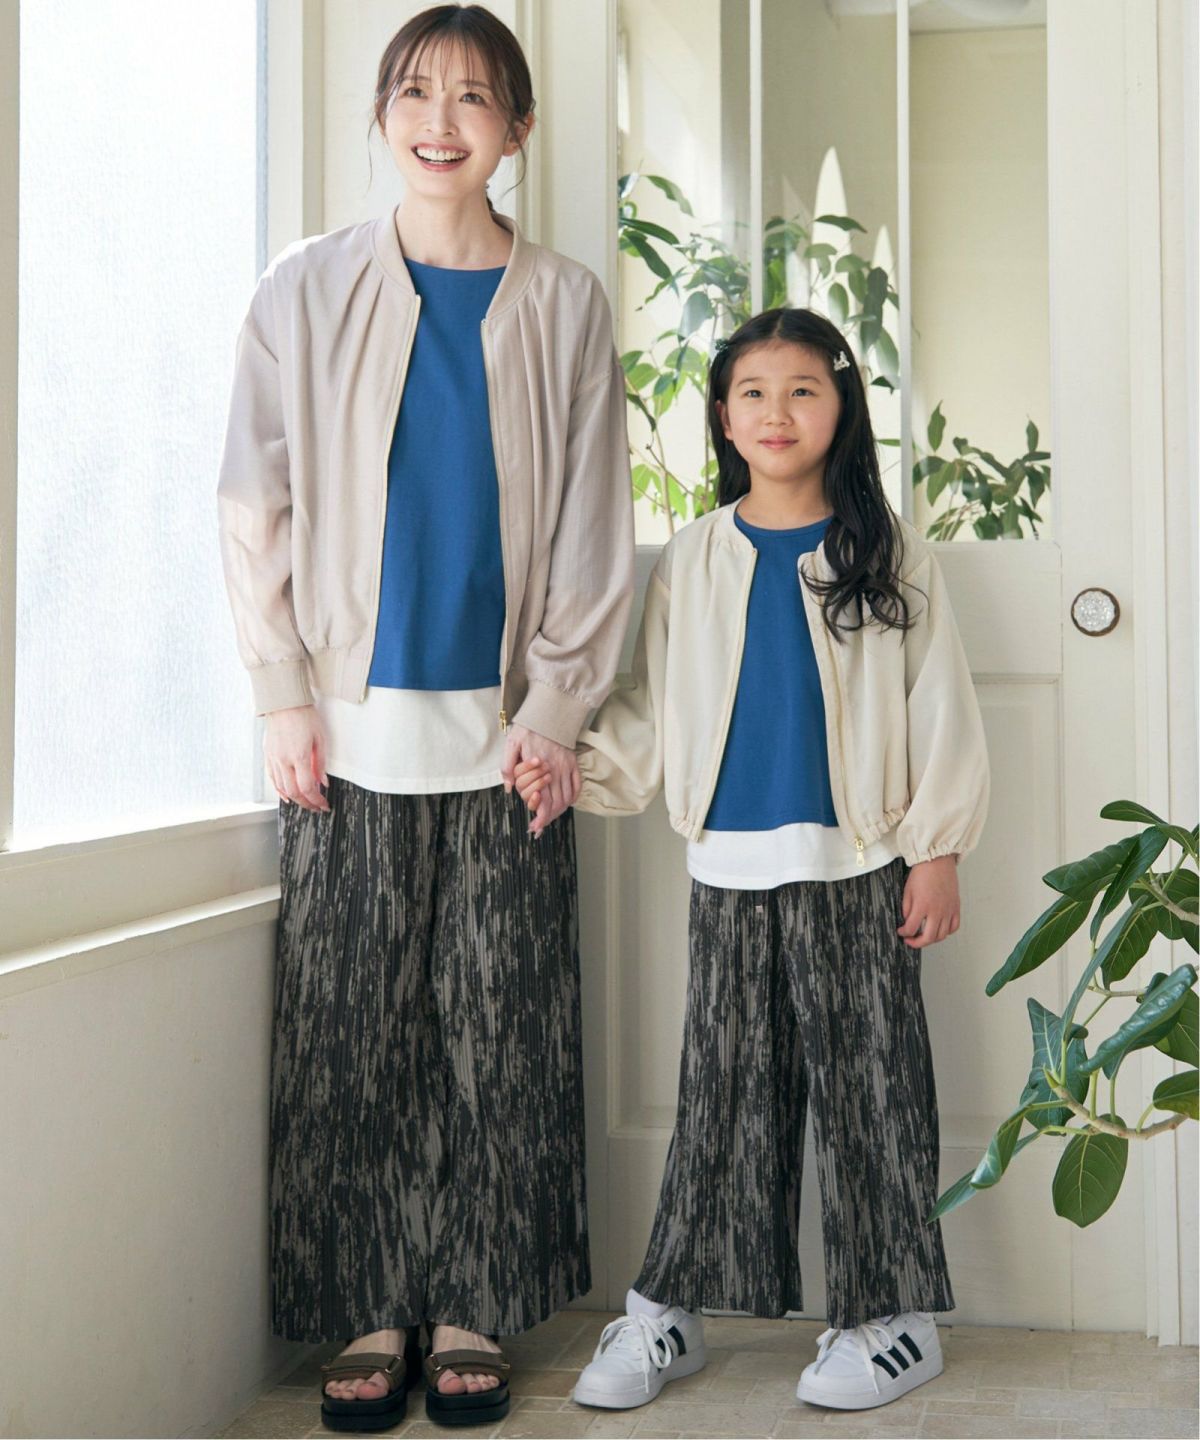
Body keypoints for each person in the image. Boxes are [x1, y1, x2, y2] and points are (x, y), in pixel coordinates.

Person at [215, 4, 634, 1430]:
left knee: (501, 1030)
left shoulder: (567, 303)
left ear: (517, 127)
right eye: (414, 92)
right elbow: (251, 499)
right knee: (351, 1029)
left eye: (472, 96)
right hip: (344, 730)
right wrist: (280, 691)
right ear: (382, 116)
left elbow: (595, 526)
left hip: (511, 732)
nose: (440, 120)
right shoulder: (303, 287)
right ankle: (367, 1304)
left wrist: (560, 707)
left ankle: (474, 1306)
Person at [512, 306, 990, 1413]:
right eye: (753, 393)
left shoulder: (890, 553)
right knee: (721, 1097)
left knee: (871, 1095)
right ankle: (671, 1309)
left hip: (861, 869)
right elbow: (652, 711)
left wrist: (938, 851)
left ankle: (893, 1319)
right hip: (727, 870)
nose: (778, 412)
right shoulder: (692, 557)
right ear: (724, 419)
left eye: (803, 390)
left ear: (843, 408)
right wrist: (573, 769)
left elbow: (941, 709)